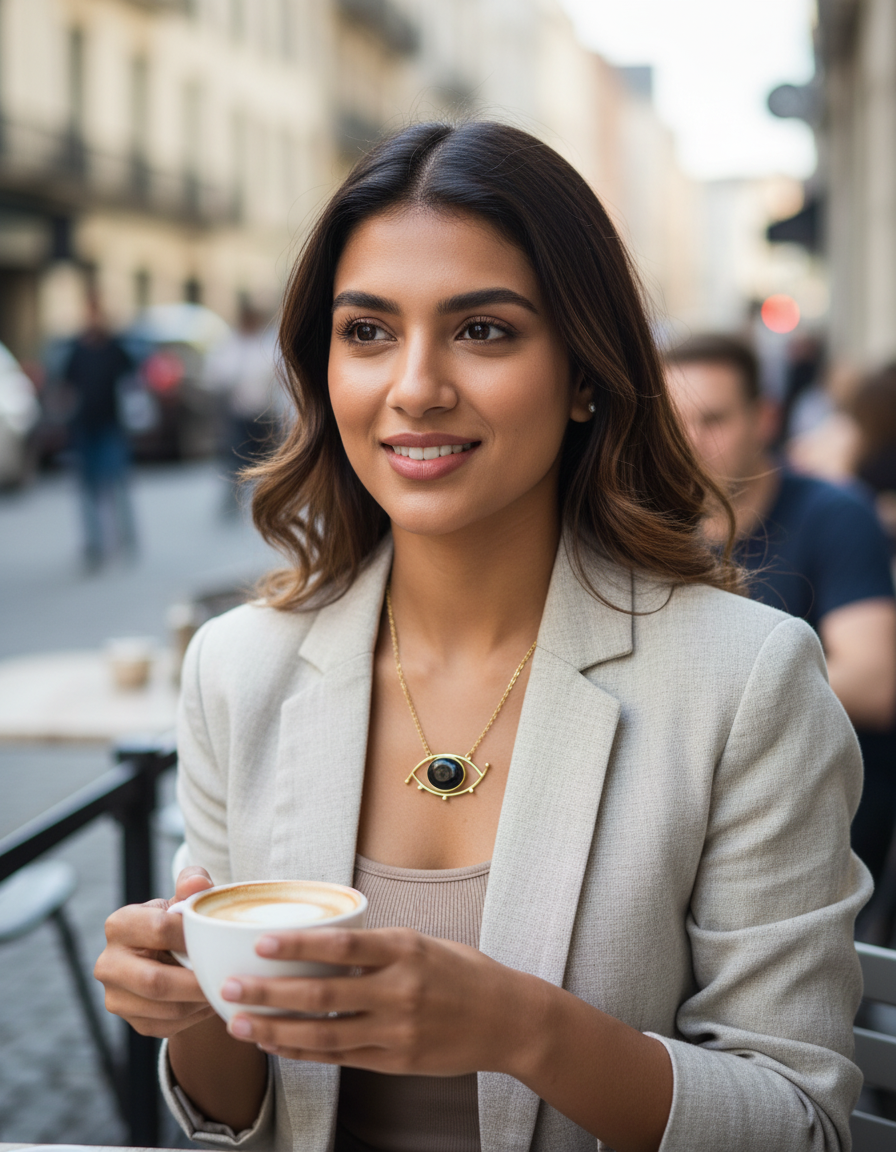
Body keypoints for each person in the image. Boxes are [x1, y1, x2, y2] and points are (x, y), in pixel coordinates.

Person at [96, 123, 869, 1152]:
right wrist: (188, 1001)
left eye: (484, 331)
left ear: (585, 371)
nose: (414, 386)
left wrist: (519, 1028)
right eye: (367, 331)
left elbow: (799, 1123)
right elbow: (232, 1118)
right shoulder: (240, 668)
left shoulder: (744, 682)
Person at [665, 333, 896, 888]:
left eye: (713, 420)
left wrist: (698, 701)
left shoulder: (833, 512)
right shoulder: (644, 524)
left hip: (817, 822)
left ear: (764, 418)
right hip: (686, 822)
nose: (689, 443)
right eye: (672, 424)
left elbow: (873, 682)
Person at [62, 294, 138, 569]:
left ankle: (127, 539)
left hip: (111, 426)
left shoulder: (114, 347)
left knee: (117, 484)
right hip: (85, 427)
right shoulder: (77, 349)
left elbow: (132, 378)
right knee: (87, 488)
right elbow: (66, 385)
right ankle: (95, 544)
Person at [202, 301, 282, 516]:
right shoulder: (230, 345)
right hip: (237, 414)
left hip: (265, 414)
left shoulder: (267, 343)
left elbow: (279, 375)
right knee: (235, 460)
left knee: (269, 462)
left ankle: (269, 503)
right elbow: (215, 376)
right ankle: (232, 503)